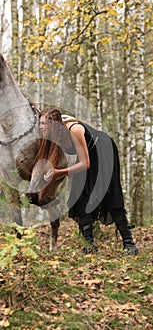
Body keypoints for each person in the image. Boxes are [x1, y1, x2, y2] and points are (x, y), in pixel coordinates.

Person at [33, 107, 139, 255]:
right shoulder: (53, 136)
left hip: (103, 151)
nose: (40, 126)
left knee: (108, 194)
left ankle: (129, 243)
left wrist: (58, 172)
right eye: (40, 123)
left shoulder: (74, 130)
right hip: (87, 155)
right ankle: (89, 245)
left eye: (44, 123)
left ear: (53, 124)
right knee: (79, 197)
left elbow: (85, 164)